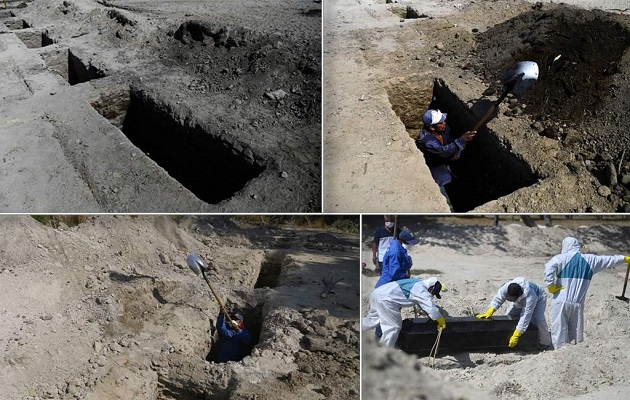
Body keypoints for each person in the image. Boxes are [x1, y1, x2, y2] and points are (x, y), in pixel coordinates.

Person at [544, 237, 629, 349]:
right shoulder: (590, 260)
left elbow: (548, 267)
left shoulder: (560, 258)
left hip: (560, 301)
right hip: (578, 304)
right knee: (576, 334)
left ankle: (559, 355)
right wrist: (624, 258)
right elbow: (608, 260)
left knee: (559, 331)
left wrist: (551, 286)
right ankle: (574, 356)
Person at [416, 109, 476, 208]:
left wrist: (456, 153)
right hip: (436, 168)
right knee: (444, 191)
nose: (444, 123)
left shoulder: (444, 129)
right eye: (441, 123)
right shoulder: (426, 140)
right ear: (432, 127)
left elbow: (450, 141)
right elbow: (443, 151)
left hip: (448, 163)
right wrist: (461, 141)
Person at [362, 277, 445, 347]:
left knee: (373, 319)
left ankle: (357, 328)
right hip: (386, 299)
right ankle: (383, 353)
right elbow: (430, 307)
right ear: (431, 288)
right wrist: (439, 319)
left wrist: (429, 315)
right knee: (393, 327)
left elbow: (422, 304)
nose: (433, 295)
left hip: (377, 293)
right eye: (433, 293)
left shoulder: (418, 282)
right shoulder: (421, 290)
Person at [476, 277, 551, 349]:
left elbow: (525, 316)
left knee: (538, 318)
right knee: (509, 316)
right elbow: (498, 299)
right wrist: (490, 311)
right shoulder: (506, 287)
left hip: (539, 298)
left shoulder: (530, 297)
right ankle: (509, 340)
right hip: (519, 300)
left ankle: (545, 342)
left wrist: (516, 335)